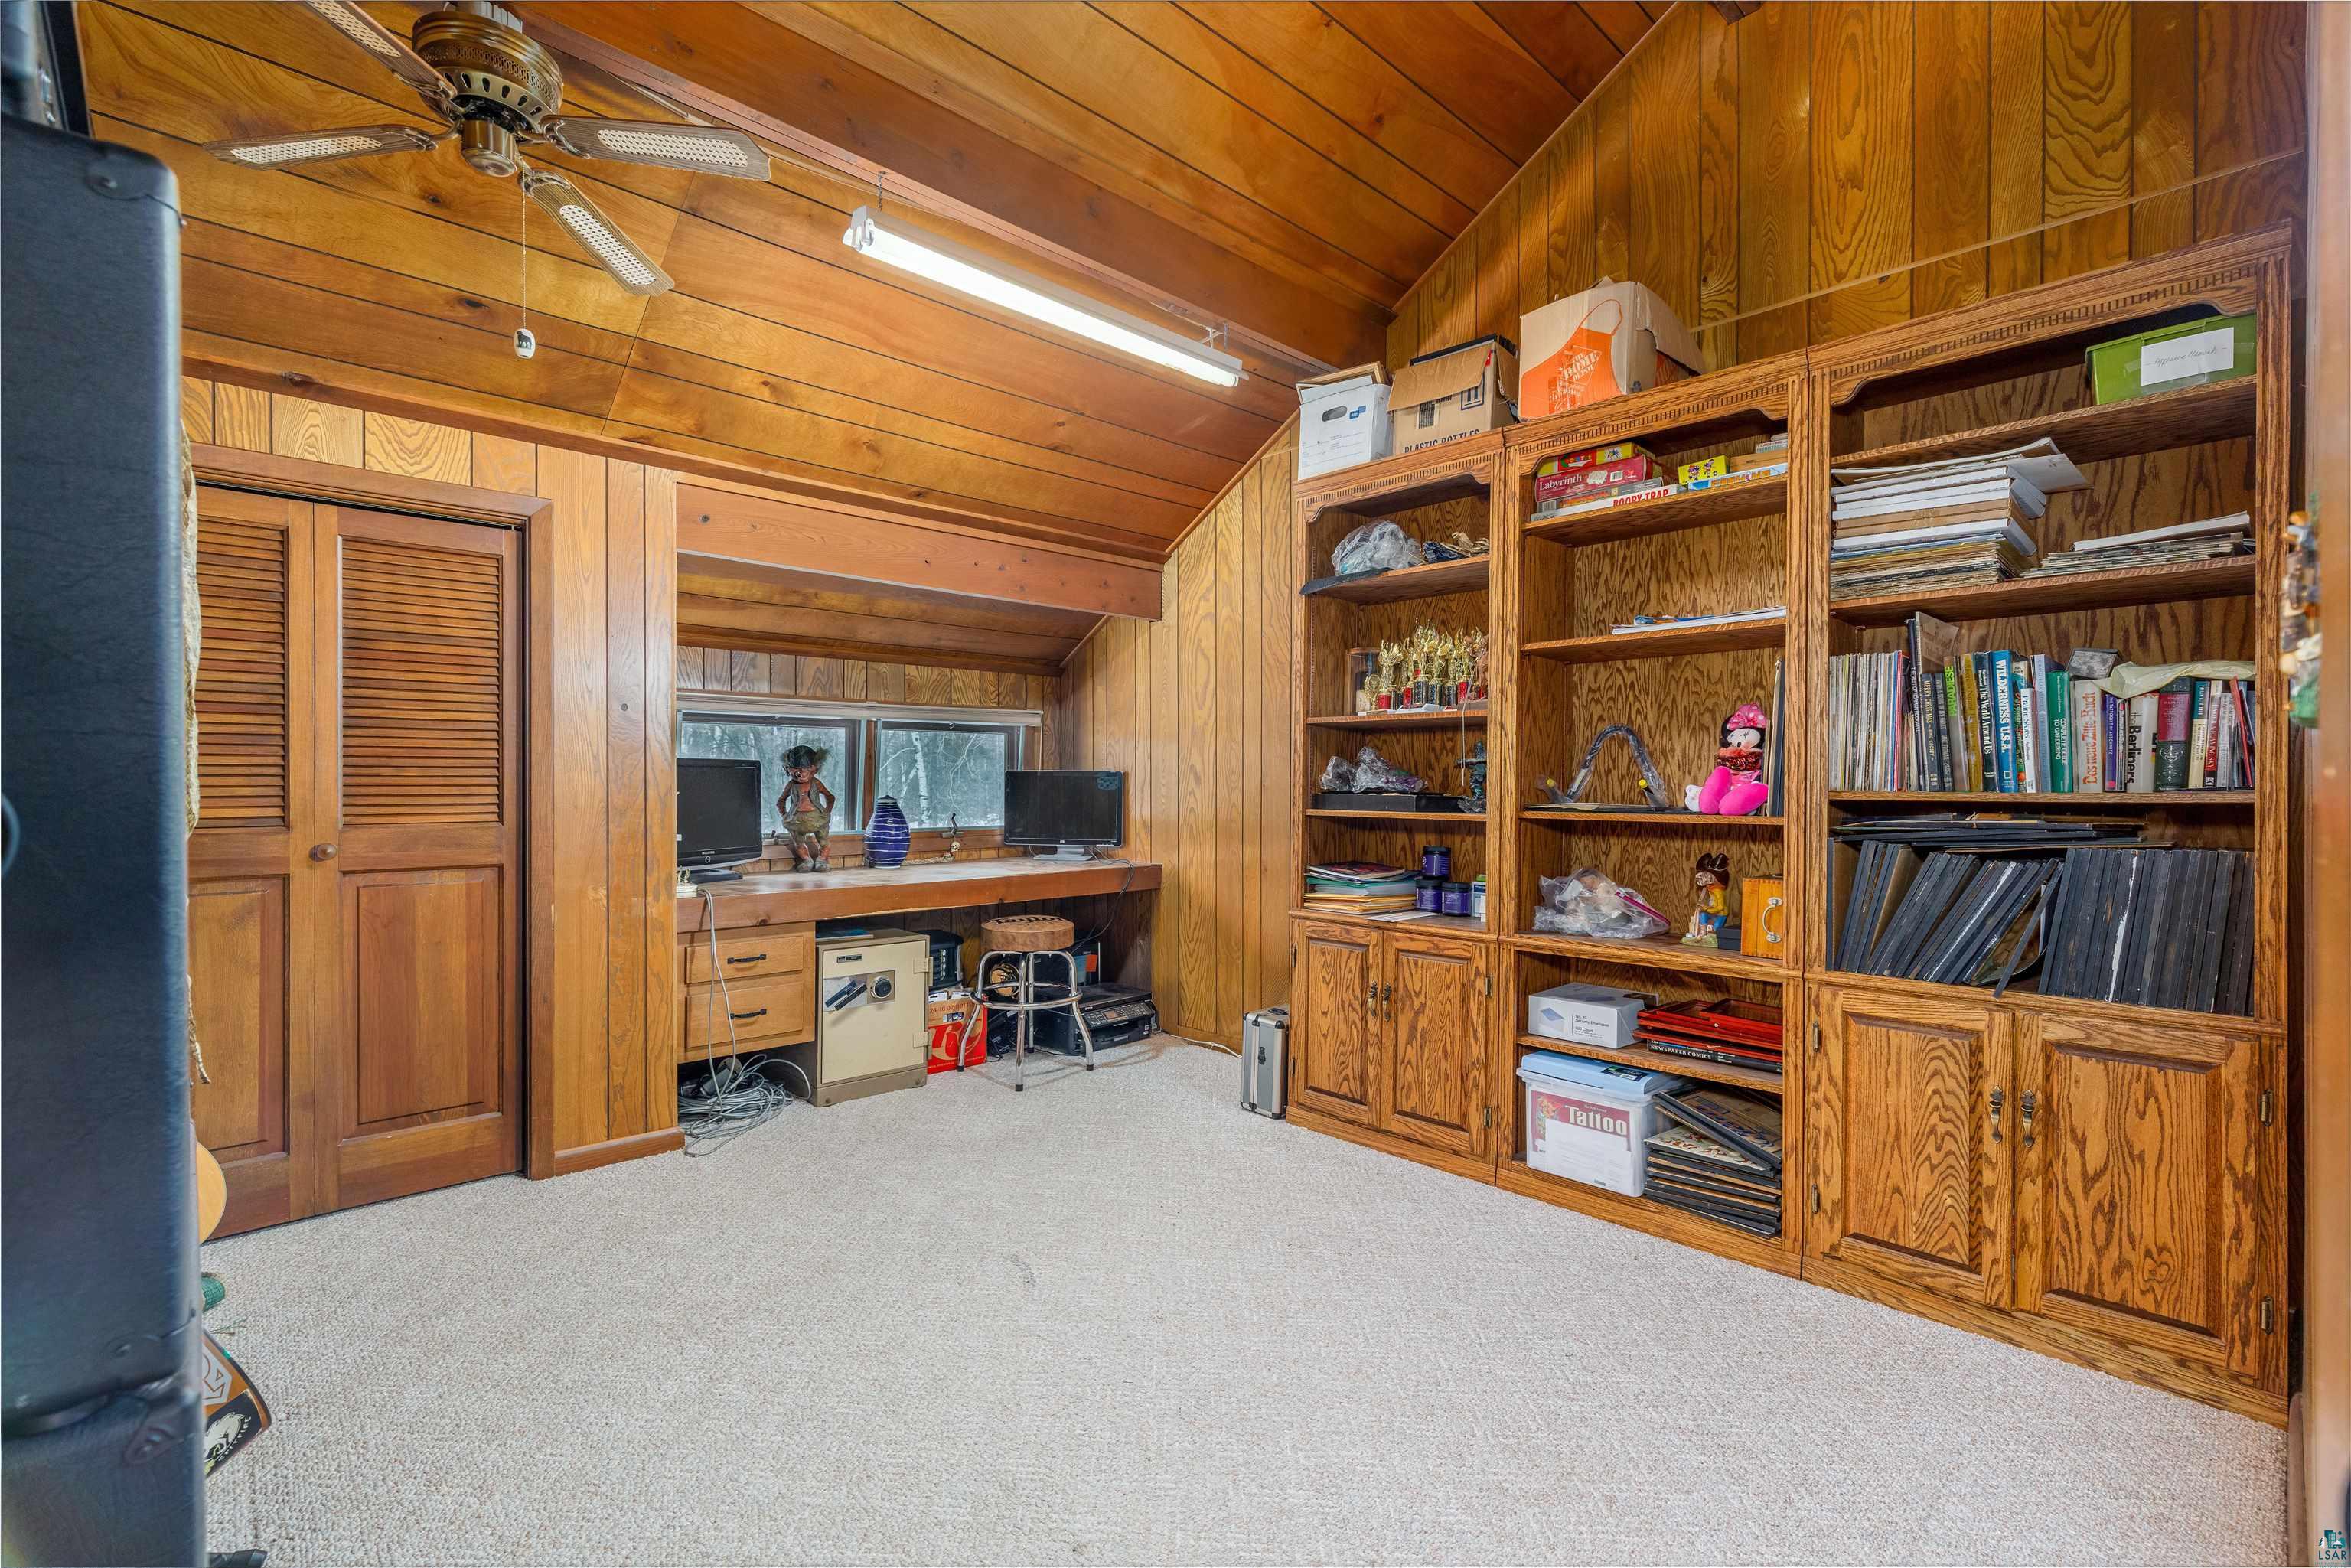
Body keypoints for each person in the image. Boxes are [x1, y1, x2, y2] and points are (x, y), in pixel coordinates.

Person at [778, 745, 834, 872]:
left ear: (814, 770)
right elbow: (780, 801)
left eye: (804, 770)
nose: (800, 774)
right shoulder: (791, 785)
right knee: (798, 843)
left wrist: (827, 812)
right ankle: (807, 860)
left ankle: (822, 860)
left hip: (818, 819)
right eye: (795, 770)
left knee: (824, 842)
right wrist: (785, 815)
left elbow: (830, 797)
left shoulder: (816, 783)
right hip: (796, 820)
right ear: (788, 770)